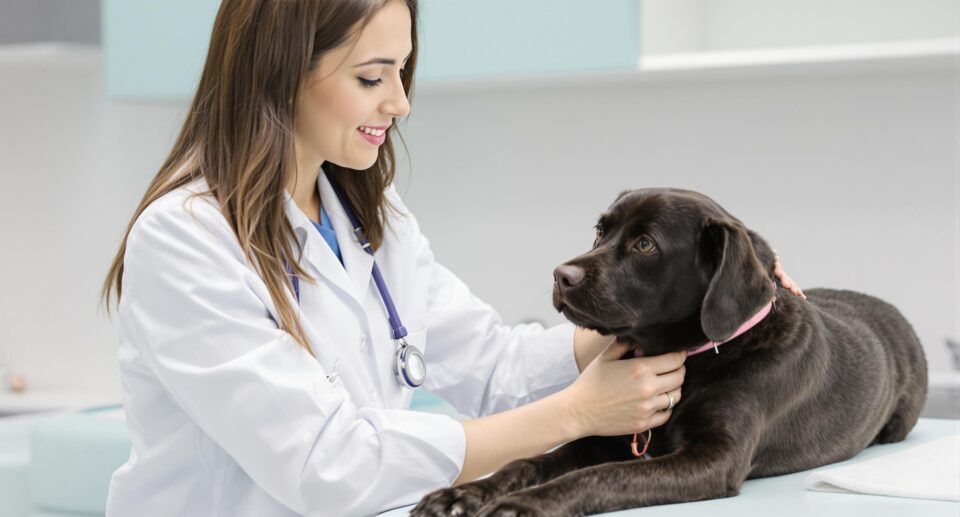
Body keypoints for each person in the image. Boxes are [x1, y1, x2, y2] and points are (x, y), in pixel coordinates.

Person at [100, 1, 803, 515]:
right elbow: (326, 464)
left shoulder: (372, 217)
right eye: (373, 77)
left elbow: (492, 367)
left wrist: (696, 313)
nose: (400, 102)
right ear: (280, 72)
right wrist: (576, 416)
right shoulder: (184, 241)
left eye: (402, 72)